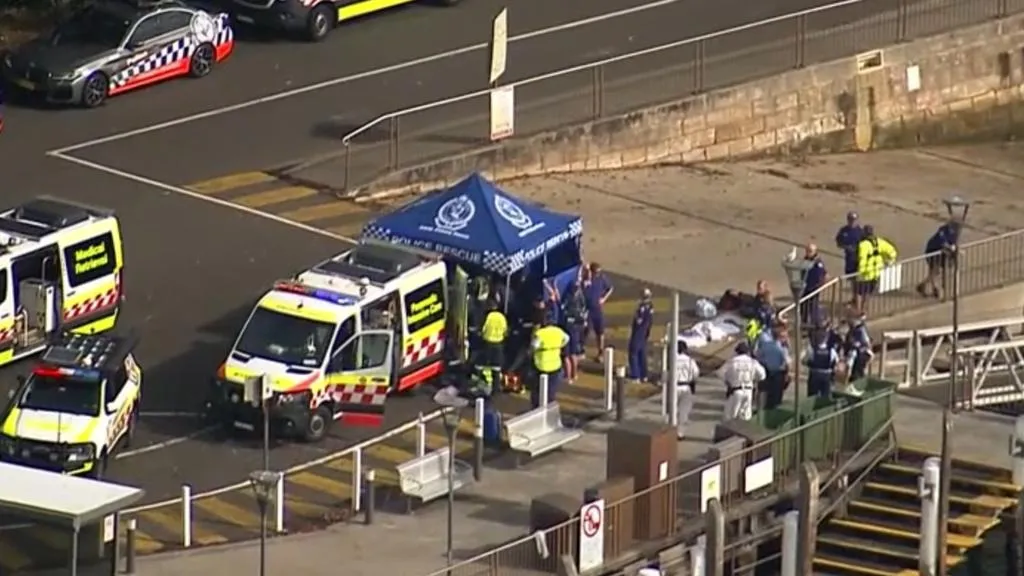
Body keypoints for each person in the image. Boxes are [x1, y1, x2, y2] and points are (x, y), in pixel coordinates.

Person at [854, 225, 898, 312]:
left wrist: (860, 272)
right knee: (868, 293)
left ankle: (858, 311)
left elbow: (862, 259)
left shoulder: (863, 245)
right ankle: (864, 310)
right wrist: (890, 261)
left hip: (865, 273)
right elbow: (892, 251)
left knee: (858, 293)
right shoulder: (880, 242)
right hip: (876, 273)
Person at [720, 341, 766, 421]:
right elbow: (762, 375)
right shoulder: (753, 362)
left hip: (736, 391)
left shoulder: (732, 361)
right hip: (748, 391)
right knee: (745, 417)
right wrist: (754, 379)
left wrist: (727, 381)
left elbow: (720, 373)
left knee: (730, 417)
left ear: (737, 351)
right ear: (748, 352)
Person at [917, 218, 961, 299]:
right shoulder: (943, 231)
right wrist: (950, 248)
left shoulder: (955, 234)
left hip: (941, 253)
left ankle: (924, 286)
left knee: (935, 272)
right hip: (932, 251)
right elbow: (943, 242)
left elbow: (953, 244)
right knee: (935, 270)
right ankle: (934, 288)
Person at [531, 314, 569, 408]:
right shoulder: (559, 331)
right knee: (551, 389)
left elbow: (534, 346)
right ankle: (549, 406)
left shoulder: (540, 333)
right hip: (555, 364)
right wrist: (559, 345)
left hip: (541, 365)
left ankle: (537, 407)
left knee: (537, 389)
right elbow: (567, 339)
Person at [756, 324, 791, 411]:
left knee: (765, 396)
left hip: (766, 372)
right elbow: (787, 363)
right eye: (785, 337)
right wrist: (787, 374)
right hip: (778, 374)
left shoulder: (766, 345)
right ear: (780, 337)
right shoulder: (782, 349)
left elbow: (758, 356)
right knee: (776, 399)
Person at [583, 262, 614, 360]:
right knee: (585, 330)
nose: (598, 274)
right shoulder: (586, 280)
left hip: (597, 309)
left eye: (599, 272)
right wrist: (586, 270)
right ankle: (581, 349)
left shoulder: (602, 278)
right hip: (587, 310)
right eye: (596, 272)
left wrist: (604, 298)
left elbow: (610, 288)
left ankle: (600, 352)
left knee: (600, 331)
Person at [561, 280, 588, 384]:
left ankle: (569, 376)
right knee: (573, 354)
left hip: (569, 329)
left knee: (567, 355)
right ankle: (574, 374)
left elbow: (562, 308)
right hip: (576, 329)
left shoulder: (568, 298)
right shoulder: (581, 298)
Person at [673, 340, 700, 440]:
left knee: (671, 411)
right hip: (686, 386)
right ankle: (680, 433)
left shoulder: (671, 359)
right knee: (684, 411)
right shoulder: (690, 361)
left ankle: (669, 431)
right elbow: (696, 374)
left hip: (673, 386)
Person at [478, 298, 507, 386]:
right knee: (496, 368)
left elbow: (483, 329)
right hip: (499, 344)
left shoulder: (488, 316)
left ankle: (484, 384)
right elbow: (505, 330)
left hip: (488, 343)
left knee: (484, 366)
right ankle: (496, 387)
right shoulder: (502, 317)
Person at [628, 289, 655, 382]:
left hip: (638, 332)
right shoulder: (651, 306)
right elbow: (650, 322)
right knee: (642, 353)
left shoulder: (641, 308)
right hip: (645, 332)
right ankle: (644, 375)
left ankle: (635, 376)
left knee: (633, 352)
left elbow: (638, 321)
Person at [804, 331, 840, 399]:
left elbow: (804, 361)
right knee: (825, 396)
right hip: (826, 375)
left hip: (814, 375)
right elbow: (836, 361)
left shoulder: (812, 349)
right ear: (826, 339)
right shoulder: (831, 350)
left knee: (812, 397)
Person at [800, 243, 828, 327]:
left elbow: (824, 274)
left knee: (813, 306)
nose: (808, 253)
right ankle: (804, 322)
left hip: (814, 287)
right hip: (806, 286)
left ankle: (815, 324)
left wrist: (821, 285)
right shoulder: (805, 260)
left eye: (810, 251)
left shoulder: (817, 262)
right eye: (807, 250)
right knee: (803, 305)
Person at [845, 311, 872, 383]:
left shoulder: (860, 330)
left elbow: (866, 343)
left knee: (857, 371)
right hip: (854, 352)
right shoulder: (853, 330)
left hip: (859, 354)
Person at [835, 212, 864, 276]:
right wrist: (846, 247)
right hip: (849, 259)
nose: (852, 221)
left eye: (854, 219)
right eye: (850, 219)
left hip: (859, 258)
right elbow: (839, 243)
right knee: (849, 276)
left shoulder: (861, 231)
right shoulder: (843, 230)